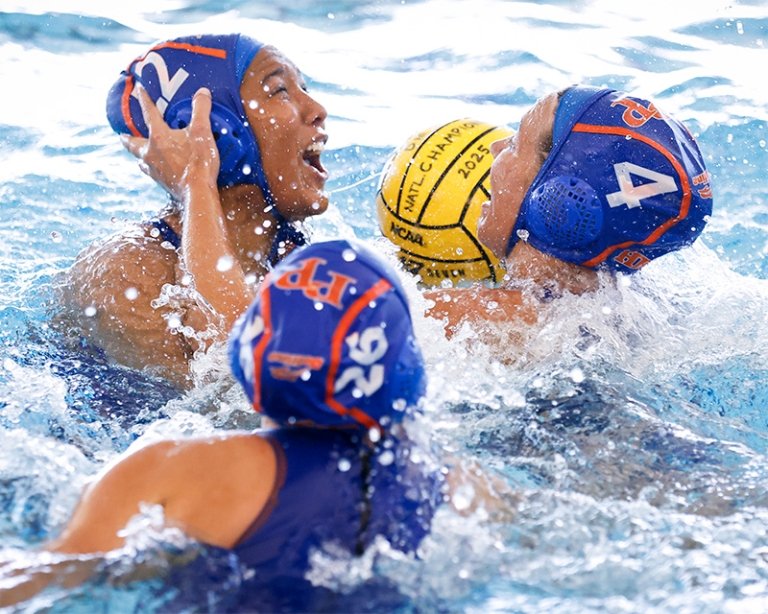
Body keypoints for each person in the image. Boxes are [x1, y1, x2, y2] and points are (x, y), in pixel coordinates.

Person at [1, 240, 454, 611]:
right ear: (401, 366)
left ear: (250, 347)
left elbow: (42, 577)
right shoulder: (454, 487)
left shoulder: (175, 469)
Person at [54, 33, 330, 388]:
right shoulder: (125, 272)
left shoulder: (295, 255)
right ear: (218, 130)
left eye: (303, 88)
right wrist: (196, 181)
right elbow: (245, 388)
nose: (317, 109)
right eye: (280, 91)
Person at [424, 85, 713, 334]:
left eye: (514, 145)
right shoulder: (642, 313)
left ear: (558, 204)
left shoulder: (455, 320)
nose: (496, 148)